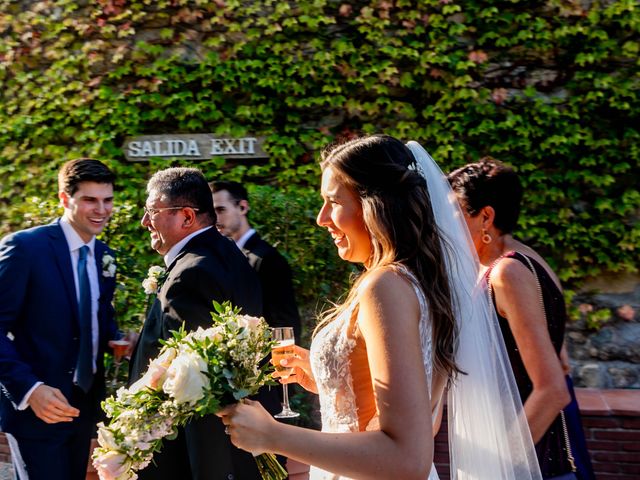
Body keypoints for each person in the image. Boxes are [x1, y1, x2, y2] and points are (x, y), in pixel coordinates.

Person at [218, 135, 542, 479]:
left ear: (376, 205)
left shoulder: (385, 286)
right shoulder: (414, 280)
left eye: (333, 202)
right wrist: (331, 381)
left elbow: (407, 458)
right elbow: (416, 412)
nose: (321, 218)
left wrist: (273, 435)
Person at [448, 157, 595, 479]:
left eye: (455, 215)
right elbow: (562, 359)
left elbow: (553, 388)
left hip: (534, 463)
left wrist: (497, 463)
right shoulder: (528, 262)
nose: (446, 227)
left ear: (485, 217)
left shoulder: (508, 273)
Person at [128, 167, 264, 480]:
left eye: (152, 212)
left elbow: (196, 391)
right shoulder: (228, 253)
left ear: (187, 217)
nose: (145, 222)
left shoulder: (191, 275)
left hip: (184, 461)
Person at [0, 158, 120, 480]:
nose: (101, 210)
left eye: (107, 200)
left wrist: (120, 337)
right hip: (37, 413)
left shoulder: (105, 255)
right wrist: (29, 390)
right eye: (90, 200)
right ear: (65, 199)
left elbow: (96, 320)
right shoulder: (25, 248)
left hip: (83, 408)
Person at [210, 180, 301, 340]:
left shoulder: (268, 259)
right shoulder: (219, 257)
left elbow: (285, 324)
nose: (215, 218)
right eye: (211, 212)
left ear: (243, 207)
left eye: (220, 209)